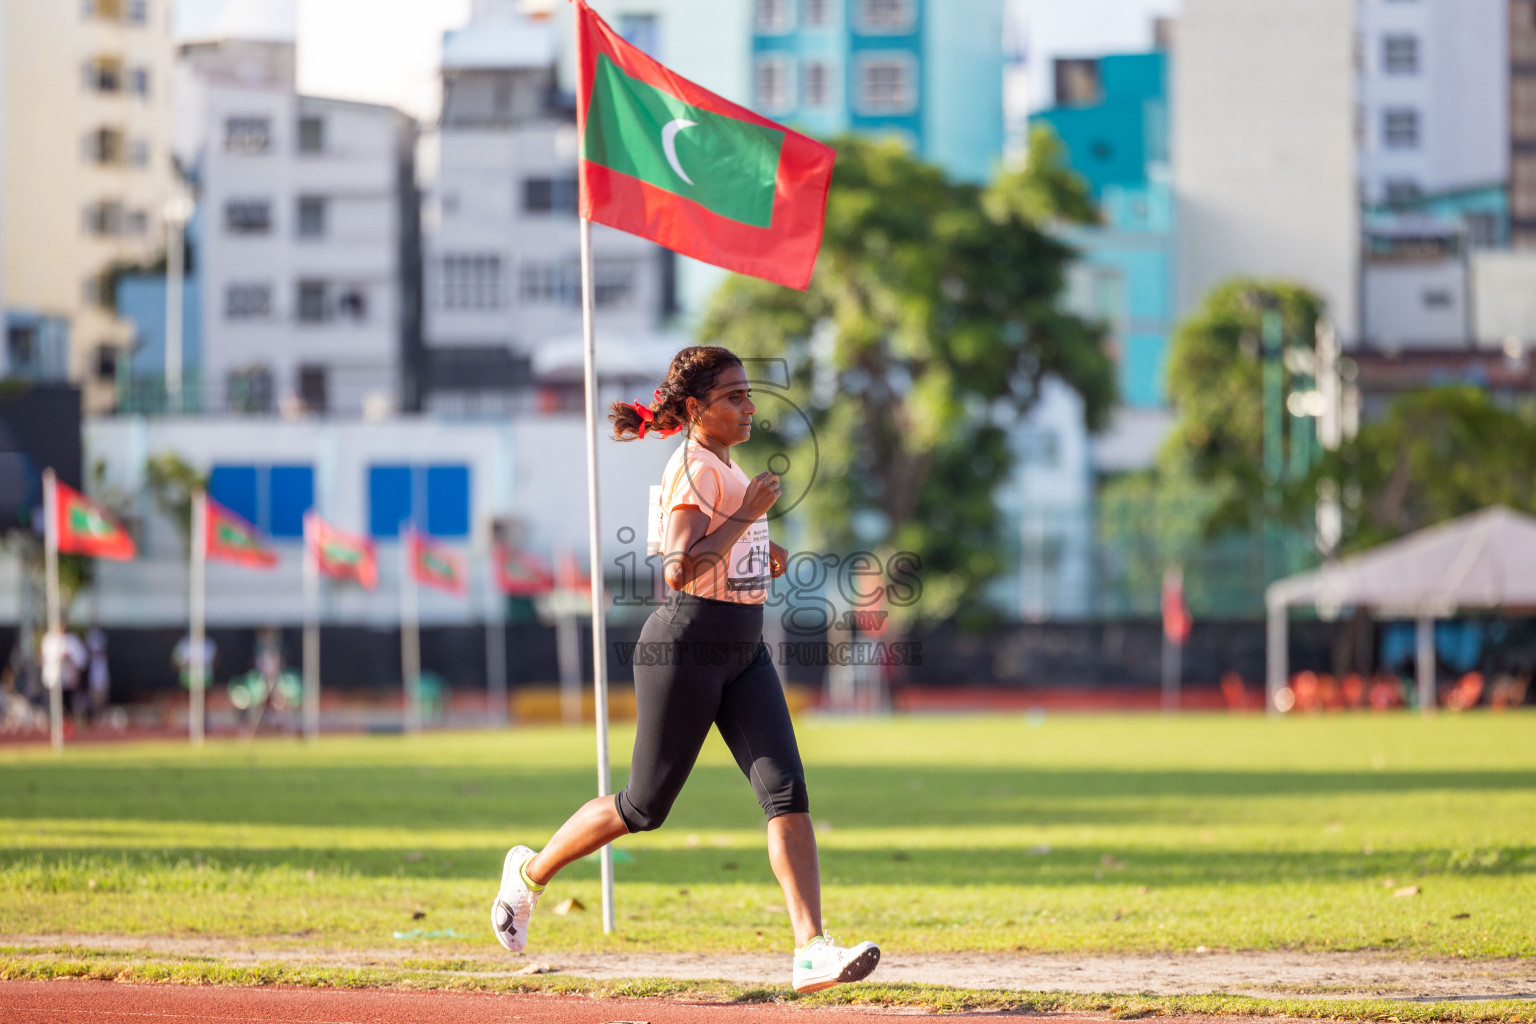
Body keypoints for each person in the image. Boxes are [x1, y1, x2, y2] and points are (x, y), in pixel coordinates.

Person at [489, 346, 880, 994]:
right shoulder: (693, 469)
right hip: (688, 643)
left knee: (786, 792)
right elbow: (677, 568)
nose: (750, 407)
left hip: (742, 649)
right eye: (735, 397)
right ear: (697, 408)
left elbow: (722, 543)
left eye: (750, 395)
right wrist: (750, 516)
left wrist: (761, 544)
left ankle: (811, 947)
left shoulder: (724, 463)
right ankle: (527, 876)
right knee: (643, 807)